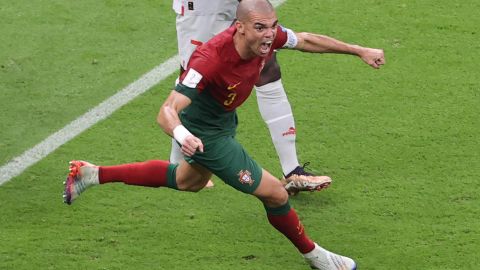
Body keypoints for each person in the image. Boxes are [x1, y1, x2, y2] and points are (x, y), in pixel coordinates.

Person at [63, 0, 384, 268]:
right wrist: (182, 135)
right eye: (261, 28)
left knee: (187, 181)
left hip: (223, 121)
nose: (269, 35)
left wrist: (358, 50)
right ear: (239, 26)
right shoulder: (210, 59)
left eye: (273, 26)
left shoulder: (266, 38)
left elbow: (305, 40)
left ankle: (91, 174)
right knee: (276, 194)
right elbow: (167, 110)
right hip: (207, 134)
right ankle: (317, 257)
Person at [172, 0, 332, 194]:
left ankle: (292, 171)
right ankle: (178, 162)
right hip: (205, 8)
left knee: (268, 65)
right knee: (194, 77)